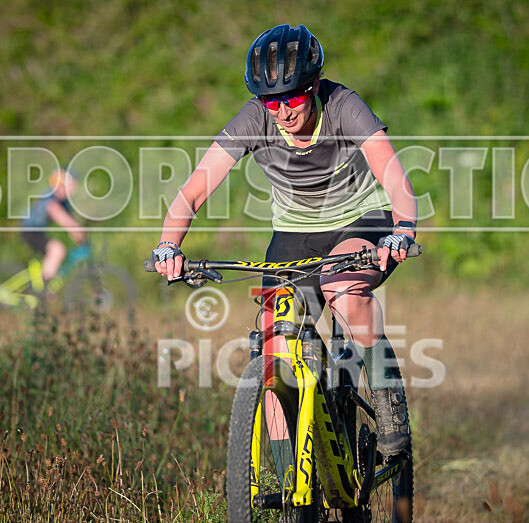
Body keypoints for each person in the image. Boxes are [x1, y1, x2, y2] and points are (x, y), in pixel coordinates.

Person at [152, 24, 418, 457]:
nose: (282, 111)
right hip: (295, 234)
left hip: (361, 221)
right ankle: (286, 471)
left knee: (342, 292)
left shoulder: (343, 106)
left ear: (313, 86)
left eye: (292, 97)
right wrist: (169, 245)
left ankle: (388, 401)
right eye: (270, 100)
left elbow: (394, 176)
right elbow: (195, 189)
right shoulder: (255, 118)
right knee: (273, 338)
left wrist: (402, 230)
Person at [21, 168, 86, 292]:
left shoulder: (63, 202)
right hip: (30, 231)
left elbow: (69, 220)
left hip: (37, 231)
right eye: (73, 184)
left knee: (58, 252)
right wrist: (76, 230)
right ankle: (43, 291)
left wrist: (77, 234)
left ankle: (42, 287)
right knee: (57, 249)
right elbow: (56, 212)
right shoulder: (51, 196)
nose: (75, 187)